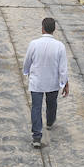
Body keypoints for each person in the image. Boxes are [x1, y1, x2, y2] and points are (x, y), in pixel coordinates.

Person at [23, 16, 69, 149]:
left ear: (42, 28)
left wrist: (26, 72)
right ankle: (49, 121)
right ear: (54, 30)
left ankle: (37, 136)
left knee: (36, 108)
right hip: (52, 82)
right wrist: (65, 83)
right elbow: (63, 68)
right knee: (51, 103)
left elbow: (27, 61)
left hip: (36, 82)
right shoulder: (60, 46)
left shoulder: (34, 44)